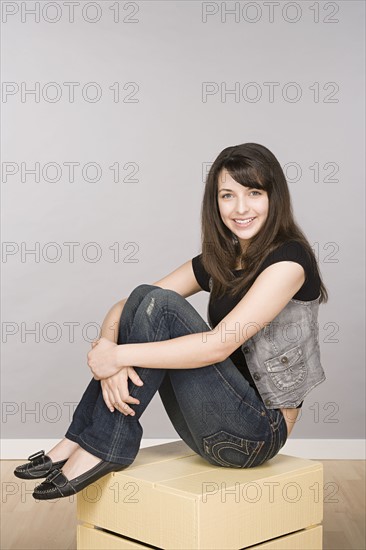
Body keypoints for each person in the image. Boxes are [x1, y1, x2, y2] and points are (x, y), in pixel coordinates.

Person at [14, 142, 328, 500]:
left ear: (275, 198)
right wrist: (109, 352)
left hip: (256, 435)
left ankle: (97, 444)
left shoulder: (290, 261)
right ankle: (80, 438)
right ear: (216, 202)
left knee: (161, 306)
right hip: (210, 427)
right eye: (228, 195)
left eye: (254, 193)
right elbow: (126, 305)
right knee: (144, 297)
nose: (240, 208)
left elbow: (220, 344)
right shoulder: (221, 259)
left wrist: (118, 357)